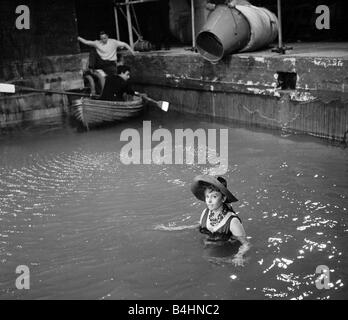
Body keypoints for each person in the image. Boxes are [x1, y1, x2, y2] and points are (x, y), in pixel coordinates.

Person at [191, 175, 250, 266]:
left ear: (223, 198)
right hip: (207, 252)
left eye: (214, 196)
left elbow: (246, 244)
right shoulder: (205, 213)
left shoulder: (232, 221)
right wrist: (176, 229)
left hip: (223, 257)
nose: (209, 201)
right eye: (207, 197)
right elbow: (200, 227)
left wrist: (239, 256)